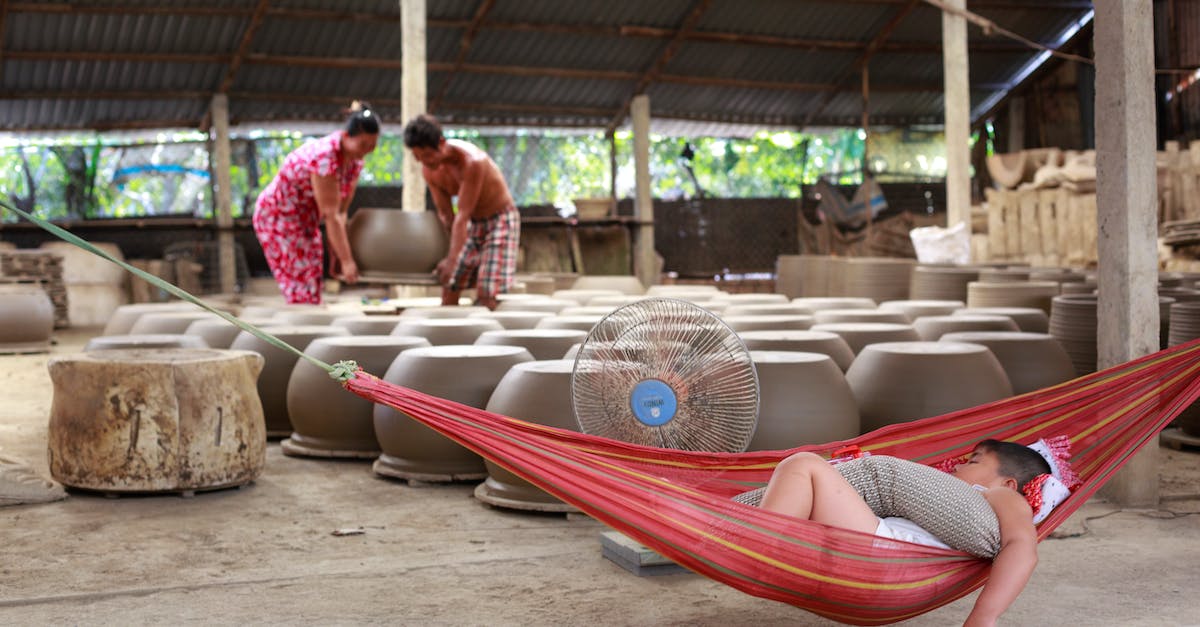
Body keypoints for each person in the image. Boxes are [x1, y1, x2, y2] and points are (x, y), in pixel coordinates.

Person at [759, 440, 1055, 627]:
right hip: (873, 549)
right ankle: (757, 538)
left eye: (973, 461)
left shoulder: (1002, 497)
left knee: (804, 464)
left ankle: (756, 545)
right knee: (805, 489)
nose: (957, 466)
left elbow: (1022, 549)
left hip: (879, 552)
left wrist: (984, 617)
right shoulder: (950, 504)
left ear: (1010, 483)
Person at [252, 102, 379, 304]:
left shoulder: (355, 162)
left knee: (312, 279)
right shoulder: (324, 157)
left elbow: (342, 212)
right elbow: (332, 215)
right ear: (346, 136)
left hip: (306, 221)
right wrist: (347, 261)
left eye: (372, 146)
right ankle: (297, 327)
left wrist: (338, 252)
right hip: (278, 218)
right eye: (363, 144)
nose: (367, 151)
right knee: (299, 282)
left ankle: (304, 318)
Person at [402, 114, 519, 311]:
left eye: (428, 156)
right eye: (419, 157)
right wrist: (450, 259)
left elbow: (462, 216)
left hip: (501, 219)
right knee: (450, 284)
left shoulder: (472, 162)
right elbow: (448, 216)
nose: (425, 162)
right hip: (473, 222)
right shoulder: (429, 170)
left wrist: (452, 260)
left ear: (441, 143)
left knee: (487, 290)